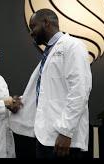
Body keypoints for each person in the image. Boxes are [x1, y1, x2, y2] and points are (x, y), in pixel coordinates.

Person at [10, 8, 92, 159]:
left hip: (63, 141)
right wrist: (19, 102)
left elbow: (80, 90)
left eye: (33, 26)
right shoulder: (49, 52)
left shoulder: (72, 45)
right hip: (46, 138)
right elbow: (45, 91)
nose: (31, 32)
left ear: (46, 22)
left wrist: (66, 131)